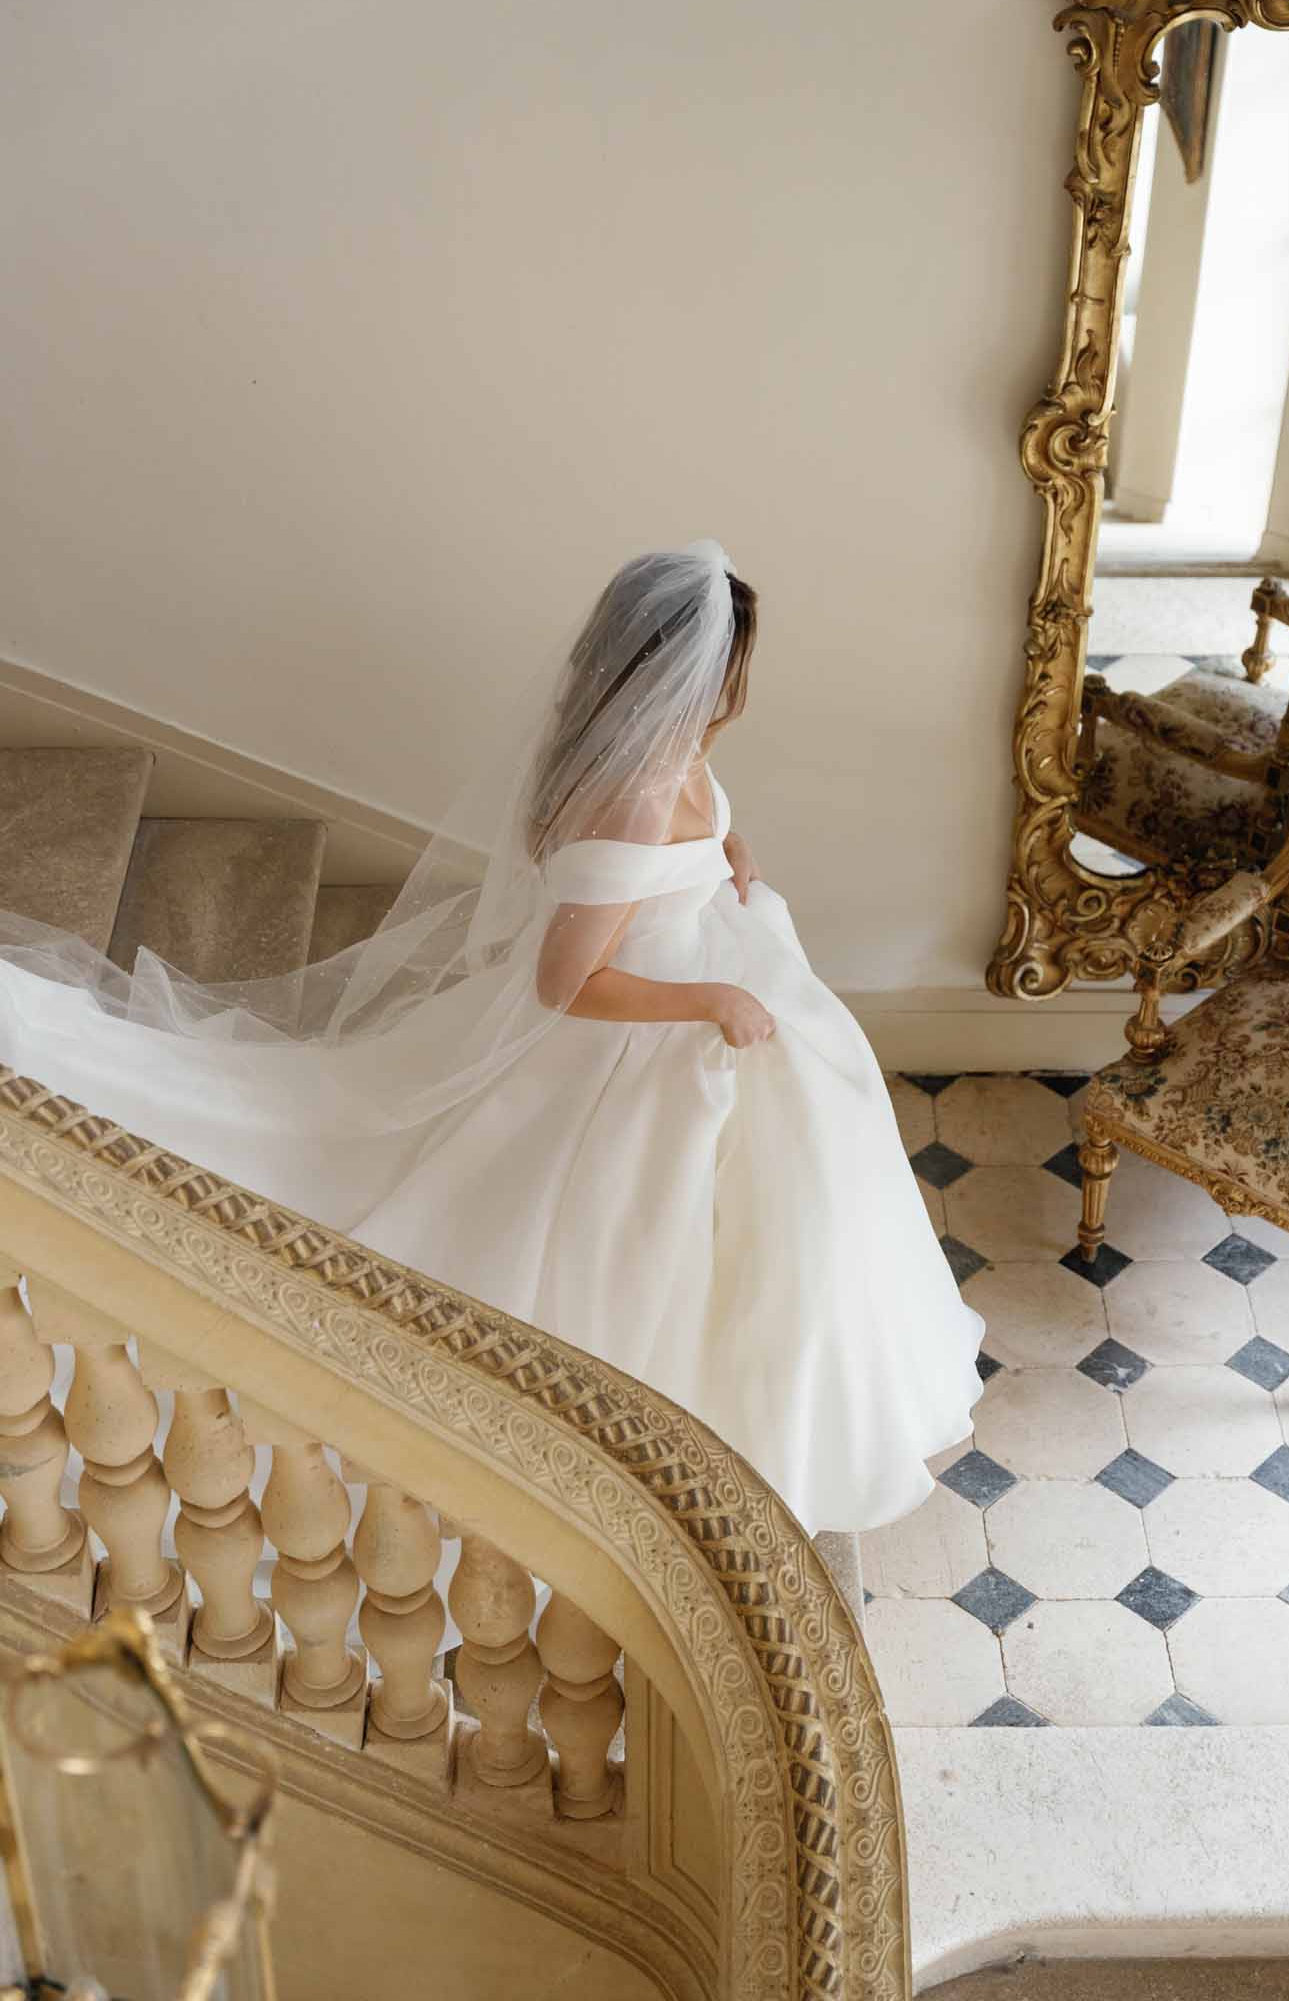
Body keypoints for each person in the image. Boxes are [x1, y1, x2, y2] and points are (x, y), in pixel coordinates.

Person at [0, 542, 983, 1532]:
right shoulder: (633, 796)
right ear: (667, 674)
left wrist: (727, 851)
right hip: (638, 1029)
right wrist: (709, 1001)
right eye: (720, 676)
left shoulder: (666, 746)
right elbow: (567, 982)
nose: (728, 698)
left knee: (805, 1180)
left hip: (709, 968)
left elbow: (683, 838)